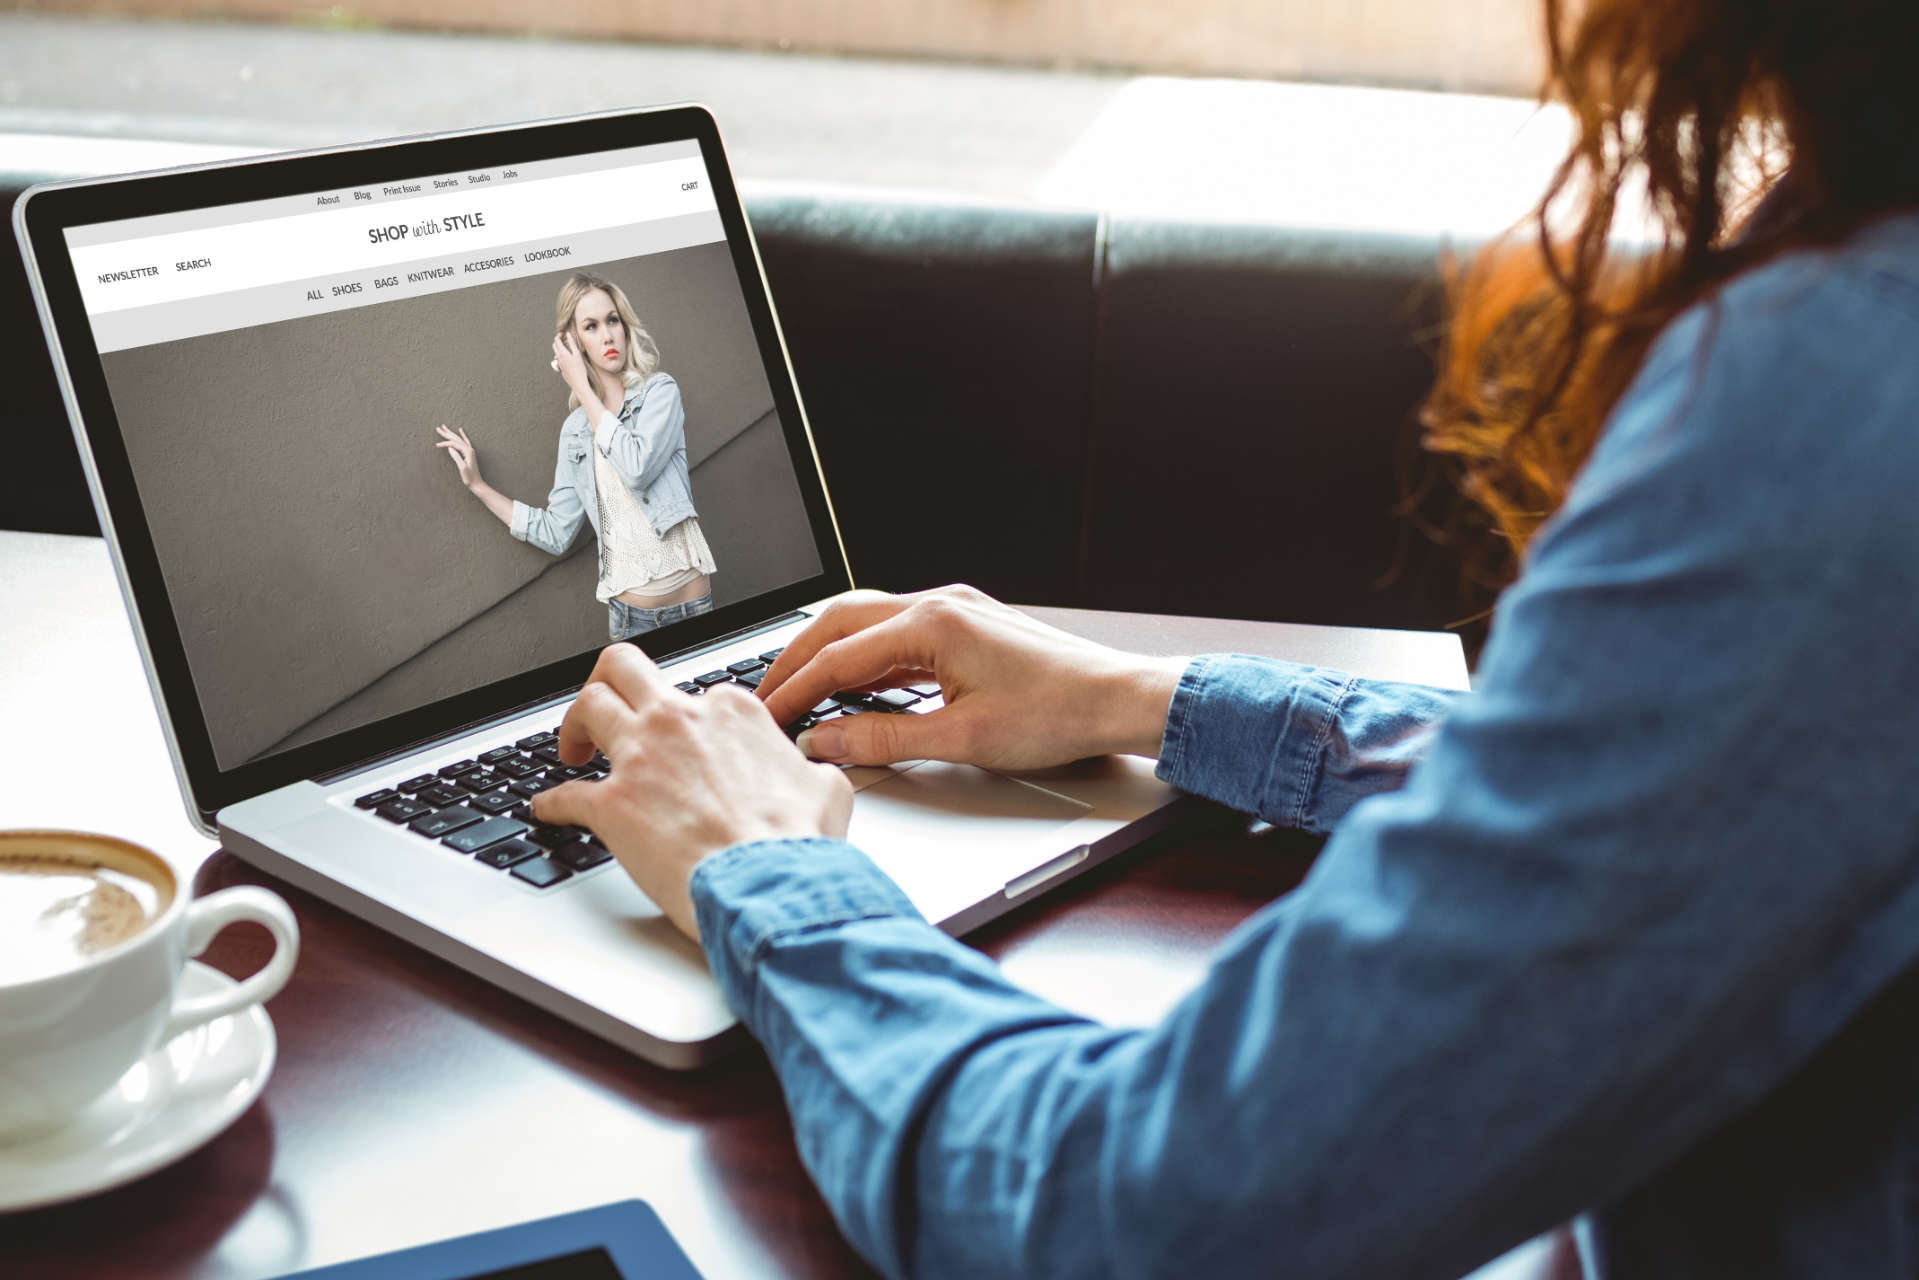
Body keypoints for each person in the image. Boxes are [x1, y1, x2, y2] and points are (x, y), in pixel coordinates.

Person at [527, 1, 1919, 1275]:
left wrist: (761, 866)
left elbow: (1122, 1216)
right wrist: (1151, 699)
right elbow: (1751, 781)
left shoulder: (1840, 389)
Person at [435, 272, 717, 640]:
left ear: (625, 327)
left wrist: (582, 387)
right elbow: (558, 533)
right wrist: (479, 487)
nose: (607, 336)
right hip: (632, 622)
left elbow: (638, 467)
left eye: (612, 320)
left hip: (694, 607)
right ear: (575, 343)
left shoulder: (659, 393)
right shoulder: (575, 432)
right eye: (591, 326)